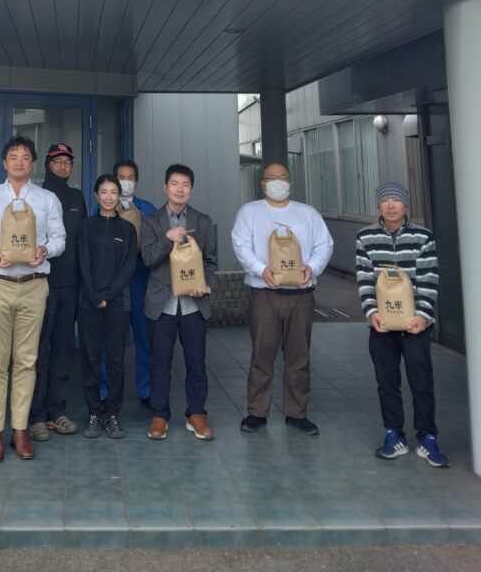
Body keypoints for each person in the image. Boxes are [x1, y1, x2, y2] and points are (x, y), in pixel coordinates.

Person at [0, 135, 66, 462]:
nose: (19, 161)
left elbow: (60, 238)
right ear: (4, 163)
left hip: (34, 286)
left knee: (26, 361)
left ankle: (20, 429)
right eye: (13, 156)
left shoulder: (47, 199)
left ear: (32, 163)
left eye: (25, 157)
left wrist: (45, 250)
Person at [231, 162, 333, 436]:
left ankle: (297, 413)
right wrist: (260, 269)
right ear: (262, 183)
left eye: (282, 177)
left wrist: (312, 267)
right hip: (264, 294)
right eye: (271, 177)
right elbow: (240, 244)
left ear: (290, 182)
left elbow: (325, 245)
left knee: (299, 356)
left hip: (301, 296)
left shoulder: (307, 213)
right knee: (262, 354)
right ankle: (256, 412)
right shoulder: (250, 212)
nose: (277, 181)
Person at [356, 182, 449, 467]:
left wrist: (422, 316)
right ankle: (394, 434)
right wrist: (372, 314)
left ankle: (427, 437)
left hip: (415, 325)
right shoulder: (366, 237)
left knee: (421, 381)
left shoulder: (423, 236)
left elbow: (429, 278)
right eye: (385, 200)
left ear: (406, 205)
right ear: (378, 206)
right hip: (382, 325)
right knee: (387, 382)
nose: (391, 205)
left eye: (396, 200)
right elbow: (365, 280)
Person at [142, 164, 217, 442]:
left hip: (193, 305)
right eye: (174, 184)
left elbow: (210, 260)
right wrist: (167, 239)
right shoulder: (151, 221)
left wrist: (207, 285)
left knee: (196, 362)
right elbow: (148, 259)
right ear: (165, 187)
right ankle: (159, 415)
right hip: (162, 304)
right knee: (160, 362)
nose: (180, 189)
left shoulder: (203, 221)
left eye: (185, 185)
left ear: (191, 189)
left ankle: (196, 413)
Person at [29, 143, 86, 441]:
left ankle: (56, 411)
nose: (63, 167)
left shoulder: (77, 198)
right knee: (37, 351)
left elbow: (82, 242)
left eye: (68, 162)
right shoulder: (37, 197)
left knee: (63, 351)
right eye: (57, 161)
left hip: (71, 286)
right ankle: (35, 415)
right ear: (47, 165)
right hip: (41, 284)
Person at [78, 174, 136, 439]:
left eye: (114, 192)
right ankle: (93, 413)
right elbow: (82, 263)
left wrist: (108, 296)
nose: (109, 197)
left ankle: (112, 414)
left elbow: (129, 267)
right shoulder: (86, 226)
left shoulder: (127, 229)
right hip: (88, 303)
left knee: (115, 360)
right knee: (90, 359)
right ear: (96, 195)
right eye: (104, 191)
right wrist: (93, 296)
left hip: (118, 304)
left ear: (119, 195)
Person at [112, 160, 156, 406]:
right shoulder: (105, 206)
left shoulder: (147, 209)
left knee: (144, 339)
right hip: (113, 284)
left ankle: (146, 390)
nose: (125, 182)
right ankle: (106, 391)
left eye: (130, 178)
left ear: (136, 182)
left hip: (141, 281)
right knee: (111, 342)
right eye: (121, 177)